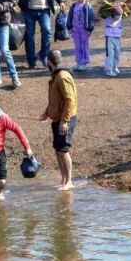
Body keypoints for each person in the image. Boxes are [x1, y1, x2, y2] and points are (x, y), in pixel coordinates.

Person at [40, 50, 78, 191]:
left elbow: (70, 99)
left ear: (49, 61)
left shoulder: (62, 77)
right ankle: (63, 180)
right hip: (58, 118)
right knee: (58, 150)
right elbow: (55, 99)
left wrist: (65, 120)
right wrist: (47, 112)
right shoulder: (56, 76)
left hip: (66, 118)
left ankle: (69, 181)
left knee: (63, 150)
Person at [67, 0, 96, 71]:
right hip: (75, 29)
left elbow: (91, 18)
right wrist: (69, 27)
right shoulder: (73, 6)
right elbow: (70, 17)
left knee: (84, 46)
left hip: (84, 29)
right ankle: (78, 62)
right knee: (78, 46)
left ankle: (84, 62)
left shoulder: (88, 7)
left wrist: (89, 29)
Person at [104, 3, 124, 77]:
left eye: (121, 15)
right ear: (113, 14)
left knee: (117, 54)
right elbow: (102, 13)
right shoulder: (108, 19)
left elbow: (126, 11)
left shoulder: (120, 18)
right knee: (110, 54)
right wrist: (111, 8)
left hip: (117, 38)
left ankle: (114, 67)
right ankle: (109, 70)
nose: (119, 17)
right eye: (118, 15)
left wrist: (121, 5)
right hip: (109, 38)